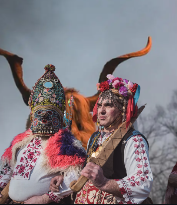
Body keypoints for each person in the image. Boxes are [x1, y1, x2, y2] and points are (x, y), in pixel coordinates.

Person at [51, 74, 153, 204]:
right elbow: (86, 174)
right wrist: (61, 183)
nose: (101, 111)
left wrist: (104, 183)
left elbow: (142, 184)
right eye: (99, 105)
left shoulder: (134, 140)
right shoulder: (94, 138)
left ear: (122, 109)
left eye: (109, 105)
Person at [0, 64, 87, 204]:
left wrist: (46, 198)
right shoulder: (20, 142)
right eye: (39, 113)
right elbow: (8, 167)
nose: (44, 117)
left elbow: (77, 174)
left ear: (58, 117)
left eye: (49, 113)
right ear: (33, 115)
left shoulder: (67, 144)